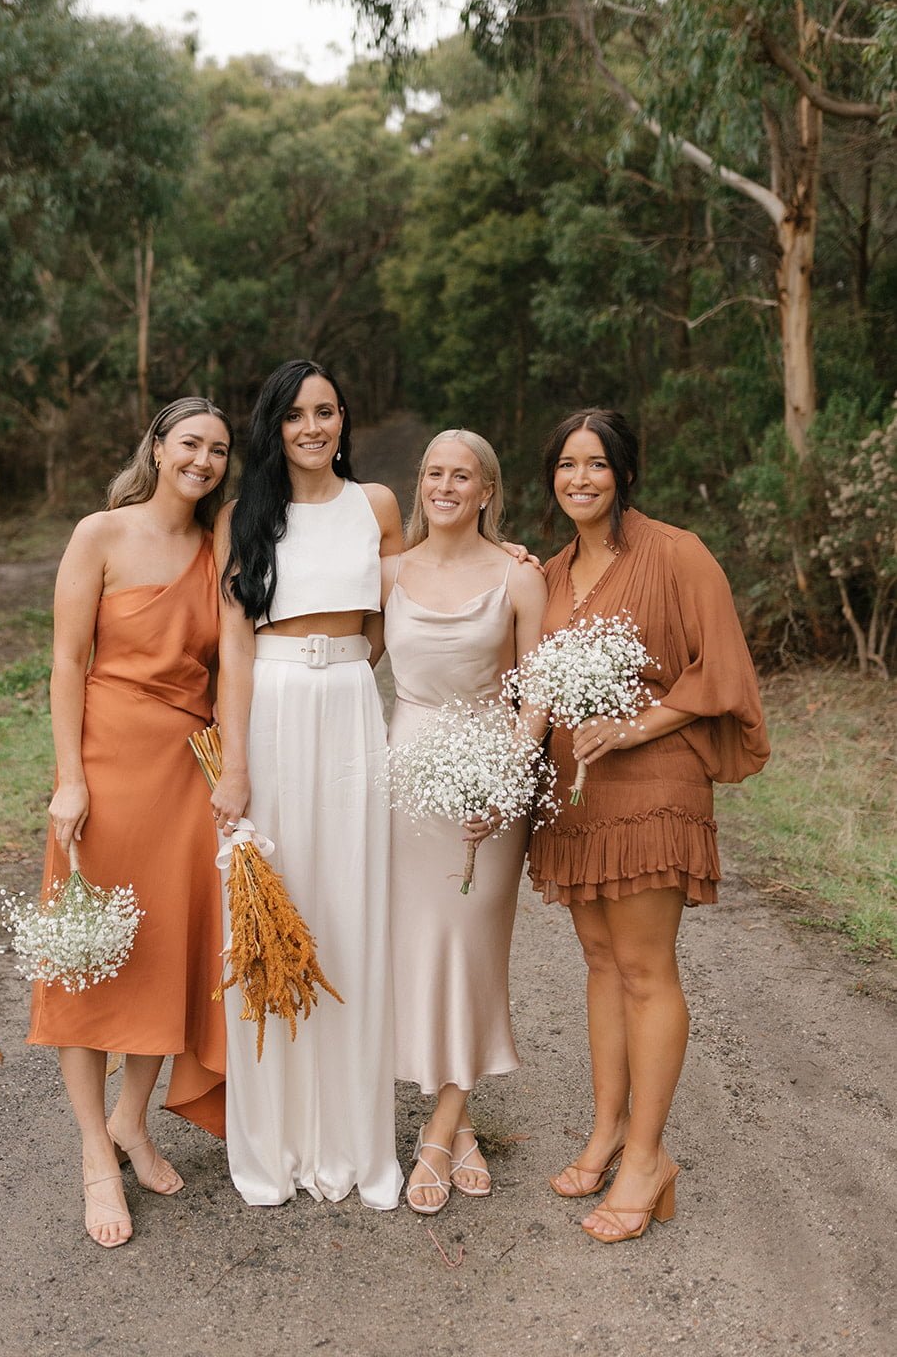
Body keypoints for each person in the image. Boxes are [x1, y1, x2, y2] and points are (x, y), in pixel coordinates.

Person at [528, 409, 769, 1242]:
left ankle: (647, 1158)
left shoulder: (676, 553)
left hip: (652, 783)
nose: (580, 478)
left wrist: (632, 728)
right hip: (576, 791)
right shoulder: (550, 573)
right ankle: (606, 1133)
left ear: (624, 475)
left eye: (596, 464)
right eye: (566, 464)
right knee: (599, 963)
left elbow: (721, 668)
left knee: (643, 968)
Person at [28, 398, 233, 1248]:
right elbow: (66, 660)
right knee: (87, 957)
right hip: (105, 768)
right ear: (157, 446)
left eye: (218, 450)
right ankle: (92, 1155)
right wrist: (70, 780)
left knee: (160, 954)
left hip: (184, 775)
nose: (203, 460)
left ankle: (132, 1122)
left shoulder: (219, 546)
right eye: (190, 443)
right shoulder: (100, 535)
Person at [210, 359, 404, 1208]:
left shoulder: (377, 506)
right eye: (295, 415)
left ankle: (355, 1145)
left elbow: (406, 606)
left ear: (343, 420)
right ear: (274, 427)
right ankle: (274, 1146)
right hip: (273, 707)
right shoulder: (243, 516)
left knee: (350, 908)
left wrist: (351, 666)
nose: (312, 428)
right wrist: (236, 764)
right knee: (272, 906)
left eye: (326, 411)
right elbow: (233, 646)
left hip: (350, 704)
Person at [382, 430, 548, 1214]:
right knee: (422, 948)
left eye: (461, 476)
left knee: (472, 945)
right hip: (406, 776)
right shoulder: (388, 572)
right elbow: (338, 656)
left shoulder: (518, 575)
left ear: (486, 491)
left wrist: (506, 783)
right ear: (419, 484)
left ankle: (438, 1133)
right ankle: (463, 1123)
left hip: (489, 775)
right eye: (433, 473)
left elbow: (535, 695)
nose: (444, 486)